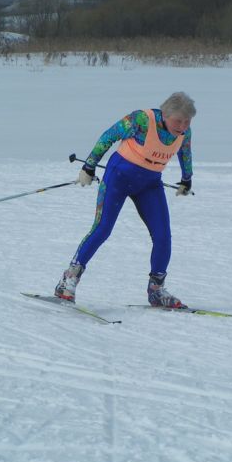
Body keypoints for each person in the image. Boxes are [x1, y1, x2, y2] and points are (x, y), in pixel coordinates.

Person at [55, 92, 196, 308]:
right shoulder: (142, 120)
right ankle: (68, 280)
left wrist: (187, 179)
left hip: (149, 184)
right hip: (119, 176)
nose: (183, 126)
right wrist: (89, 166)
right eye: (179, 121)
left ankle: (156, 290)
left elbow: (185, 153)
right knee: (103, 228)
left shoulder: (184, 133)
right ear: (166, 115)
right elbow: (108, 136)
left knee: (163, 235)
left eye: (187, 121)